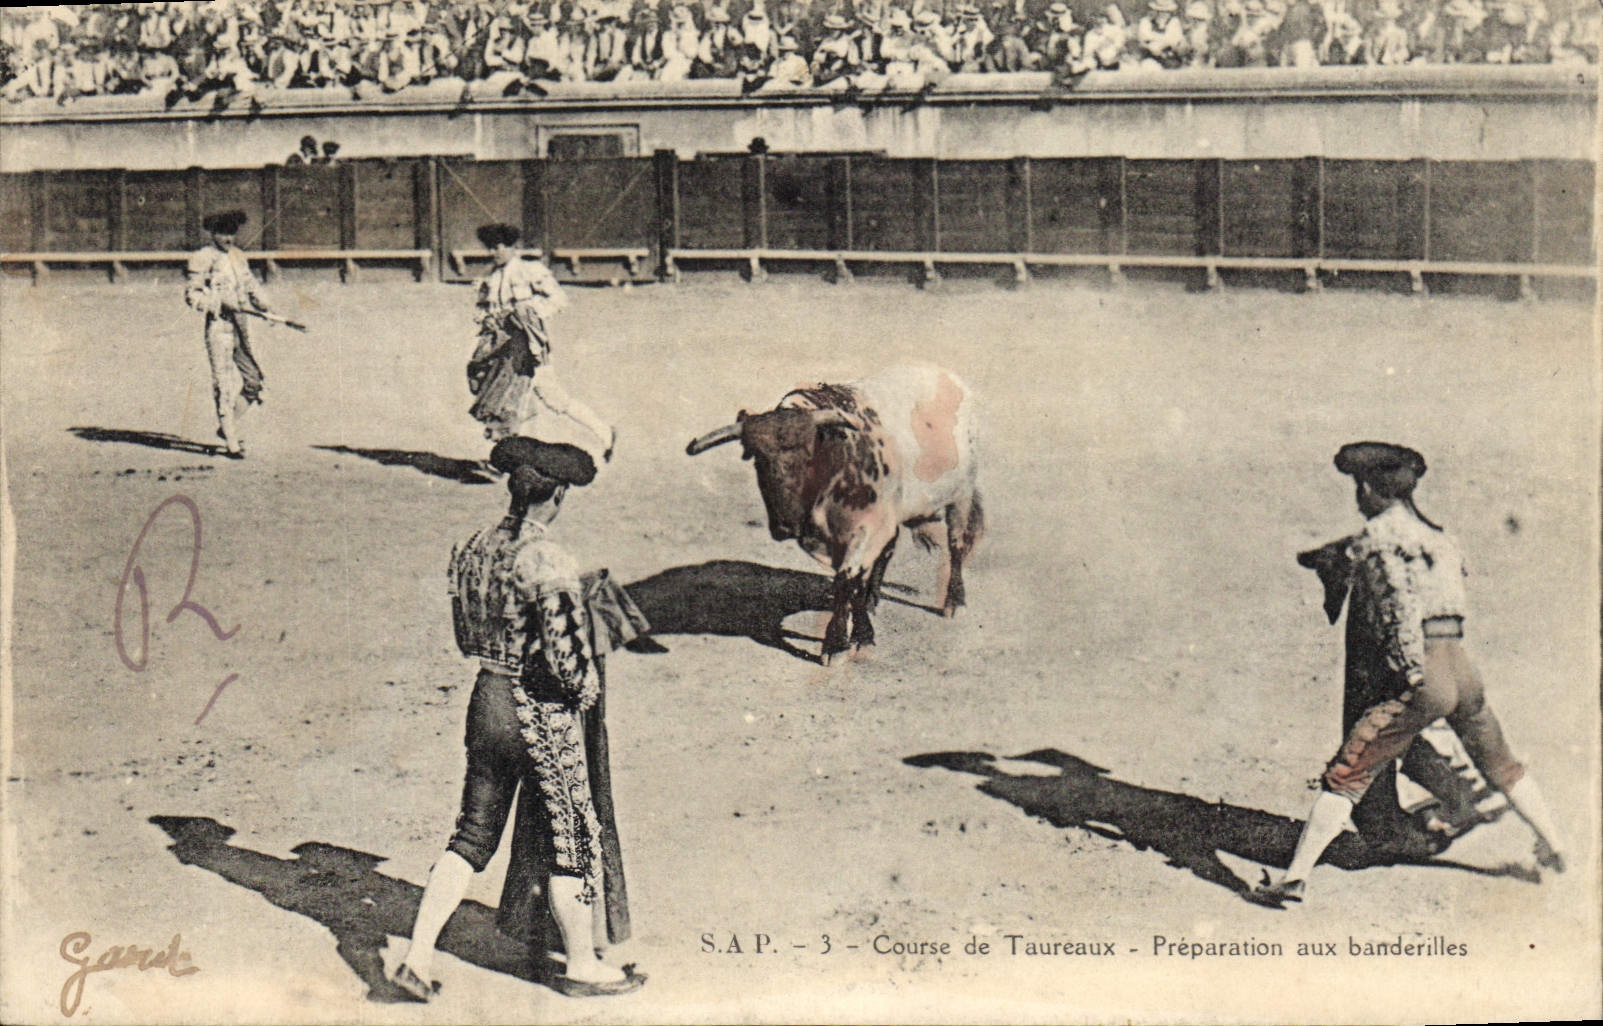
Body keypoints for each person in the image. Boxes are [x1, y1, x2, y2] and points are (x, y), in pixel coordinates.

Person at [1250, 443, 1568, 907]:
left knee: (1350, 771)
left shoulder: (1375, 542)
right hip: (1461, 664)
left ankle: (1295, 878)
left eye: (1357, 488)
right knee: (1501, 764)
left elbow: (1397, 616)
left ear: (1366, 489)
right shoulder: (1440, 538)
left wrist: (1413, 683)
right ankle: (1554, 844)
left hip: (1426, 670)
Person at [391, 436, 646, 1001]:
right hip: (537, 707)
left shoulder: (473, 547)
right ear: (554, 495)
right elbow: (564, 652)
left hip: (485, 696)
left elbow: (464, 636)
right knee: (572, 835)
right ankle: (582, 964)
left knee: (472, 833)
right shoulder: (548, 557)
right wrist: (584, 690)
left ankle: (416, 955)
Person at [467, 223, 615, 459]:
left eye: (499, 247)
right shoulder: (491, 278)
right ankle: (503, 458)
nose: (494, 252)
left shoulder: (529, 270)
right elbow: (483, 311)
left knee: (551, 399)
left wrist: (528, 314)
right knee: (504, 399)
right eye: (491, 248)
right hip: (503, 350)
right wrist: (488, 320)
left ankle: (604, 431)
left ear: (512, 246)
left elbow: (559, 299)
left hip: (530, 347)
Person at [184, 210, 271, 460]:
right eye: (223, 233)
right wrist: (219, 303)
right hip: (219, 325)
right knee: (223, 382)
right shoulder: (203, 258)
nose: (228, 238)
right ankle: (231, 440)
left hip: (241, 325)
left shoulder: (238, 257)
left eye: (232, 233)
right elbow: (192, 295)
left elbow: (252, 286)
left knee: (253, 380)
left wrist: (267, 307)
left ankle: (226, 426)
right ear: (213, 234)